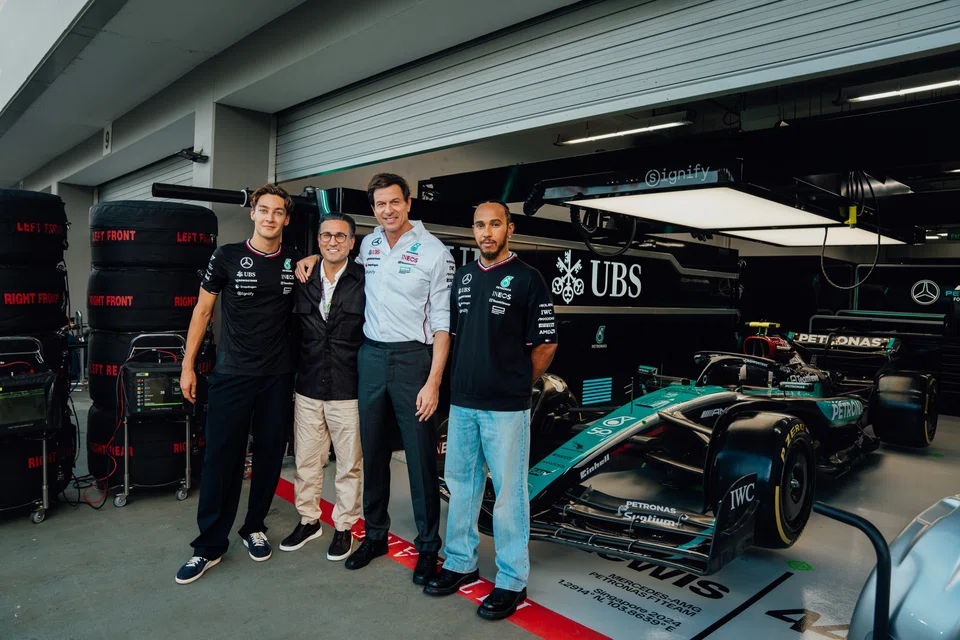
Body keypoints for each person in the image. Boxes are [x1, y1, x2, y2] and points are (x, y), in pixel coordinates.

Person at [297, 173, 455, 585]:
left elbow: (442, 321)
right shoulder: (366, 245)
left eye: (395, 202)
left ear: (408, 204)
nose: (388, 210)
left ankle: (427, 548)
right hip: (369, 356)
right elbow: (339, 264)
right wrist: (313, 259)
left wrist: (434, 380)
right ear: (373, 210)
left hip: (412, 360)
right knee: (373, 451)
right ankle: (376, 535)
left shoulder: (434, 252)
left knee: (420, 459)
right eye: (381, 204)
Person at [423, 201, 557, 620]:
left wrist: (517, 383)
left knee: (508, 495)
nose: (486, 232)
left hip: (505, 409)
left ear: (509, 230)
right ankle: (460, 563)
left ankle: (511, 580)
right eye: (480, 224)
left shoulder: (529, 279)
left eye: (494, 224)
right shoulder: (462, 277)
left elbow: (546, 344)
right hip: (463, 404)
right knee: (462, 487)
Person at [175, 184, 301, 585]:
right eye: (263, 210)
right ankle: (209, 546)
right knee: (221, 460)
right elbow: (202, 310)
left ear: (286, 218)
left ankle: (254, 527)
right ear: (252, 214)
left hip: (277, 377)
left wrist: (314, 257)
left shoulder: (294, 262)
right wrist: (187, 366)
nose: (269, 217)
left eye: (278, 212)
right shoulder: (227, 256)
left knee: (268, 457)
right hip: (232, 375)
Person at [279, 213, 364, 561]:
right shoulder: (305, 277)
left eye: (341, 236)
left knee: (348, 465)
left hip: (349, 387)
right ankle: (309, 520)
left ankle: (344, 526)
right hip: (309, 386)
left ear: (352, 243)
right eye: (326, 236)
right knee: (308, 462)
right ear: (317, 241)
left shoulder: (366, 279)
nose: (333, 242)